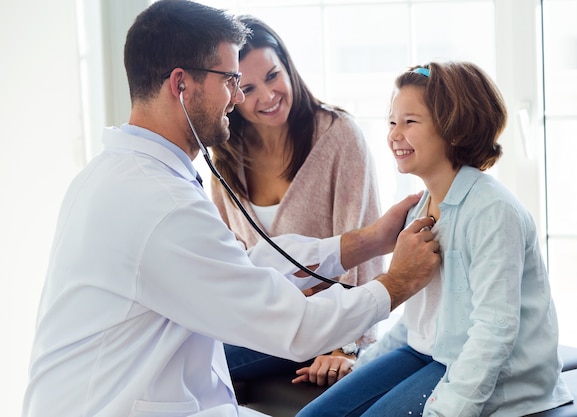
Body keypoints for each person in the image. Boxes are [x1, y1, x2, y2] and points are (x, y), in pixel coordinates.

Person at [21, 2, 442, 417]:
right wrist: (398, 282)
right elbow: (293, 326)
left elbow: (235, 265)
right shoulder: (160, 203)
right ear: (181, 85)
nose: (238, 96)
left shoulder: (120, 174)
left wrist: (365, 242)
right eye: (232, 80)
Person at [297, 61, 574, 417]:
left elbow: (495, 331)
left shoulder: (492, 210)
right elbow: (420, 320)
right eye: (392, 122)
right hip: (429, 354)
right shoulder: (420, 209)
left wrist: (449, 411)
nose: (395, 135)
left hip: (495, 373)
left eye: (410, 122)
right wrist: (361, 364)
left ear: (455, 129)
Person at [210, 15, 383, 387]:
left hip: (323, 322)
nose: (268, 97)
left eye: (273, 76)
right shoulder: (226, 156)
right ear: (232, 94)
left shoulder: (339, 136)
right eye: (249, 88)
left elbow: (366, 246)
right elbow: (230, 261)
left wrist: (346, 345)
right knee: (181, 351)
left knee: (192, 364)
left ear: (288, 66)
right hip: (257, 322)